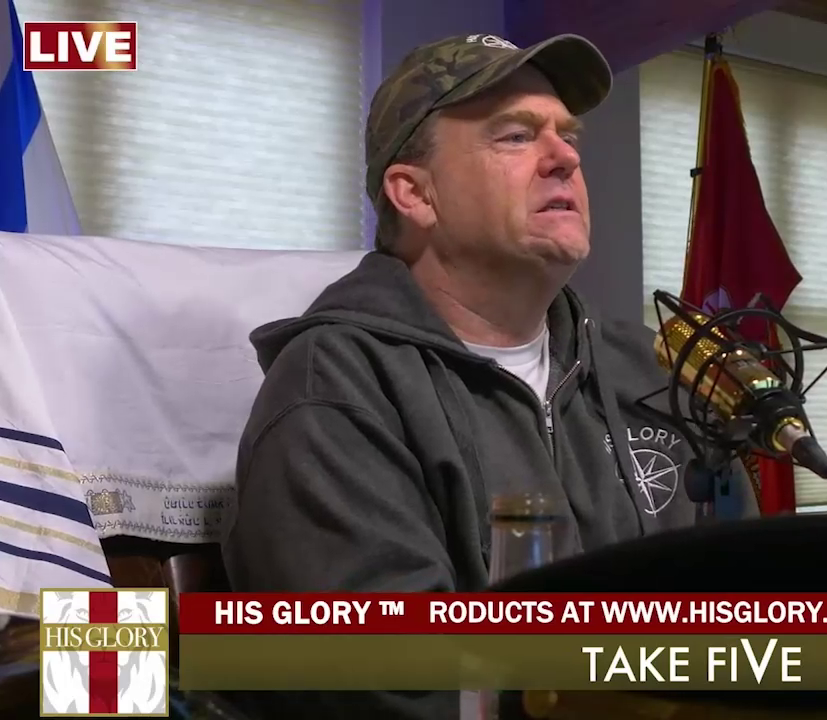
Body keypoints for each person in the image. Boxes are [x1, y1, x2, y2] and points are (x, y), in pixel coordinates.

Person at [220, 33, 757, 716]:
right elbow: (392, 678)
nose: (565, 158)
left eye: (568, 136)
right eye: (515, 137)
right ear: (415, 194)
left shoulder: (649, 369)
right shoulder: (335, 391)